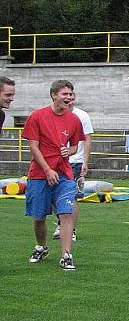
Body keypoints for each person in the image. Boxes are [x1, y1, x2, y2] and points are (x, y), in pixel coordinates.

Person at [23, 79, 84, 271]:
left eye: (71, 94)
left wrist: (71, 152)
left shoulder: (74, 119)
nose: (69, 98)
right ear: (54, 95)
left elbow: (75, 145)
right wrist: (47, 169)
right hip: (39, 174)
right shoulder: (37, 116)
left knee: (65, 213)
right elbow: (33, 146)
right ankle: (41, 246)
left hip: (64, 173)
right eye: (65, 94)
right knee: (39, 216)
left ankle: (66, 255)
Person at [53, 98, 94, 241]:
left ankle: (72, 230)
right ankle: (61, 223)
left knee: (73, 196)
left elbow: (88, 139)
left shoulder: (81, 116)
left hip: (75, 162)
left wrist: (85, 161)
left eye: (71, 96)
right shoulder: (53, 116)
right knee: (55, 195)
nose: (69, 100)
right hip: (57, 162)